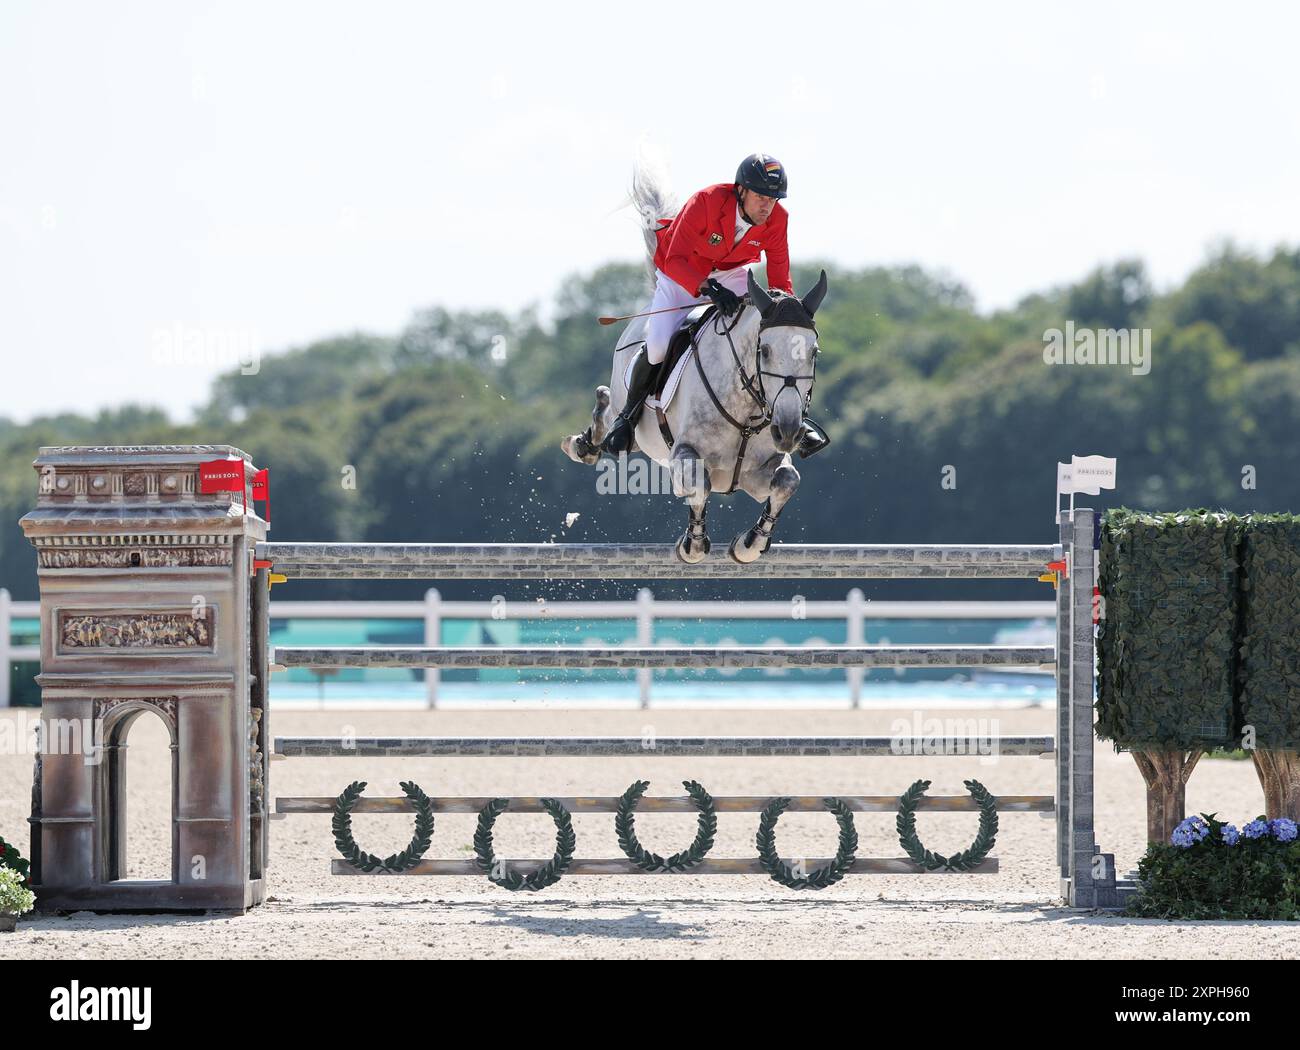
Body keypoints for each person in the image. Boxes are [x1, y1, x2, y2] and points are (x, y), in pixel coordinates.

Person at [602, 153, 803, 455]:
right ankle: (626, 418)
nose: (767, 206)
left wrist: (784, 312)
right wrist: (708, 288)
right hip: (681, 275)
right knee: (657, 346)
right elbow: (676, 260)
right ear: (742, 190)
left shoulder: (778, 220)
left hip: (732, 275)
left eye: (773, 199)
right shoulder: (706, 202)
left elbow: (779, 280)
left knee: (767, 332)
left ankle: (792, 415)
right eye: (761, 196)